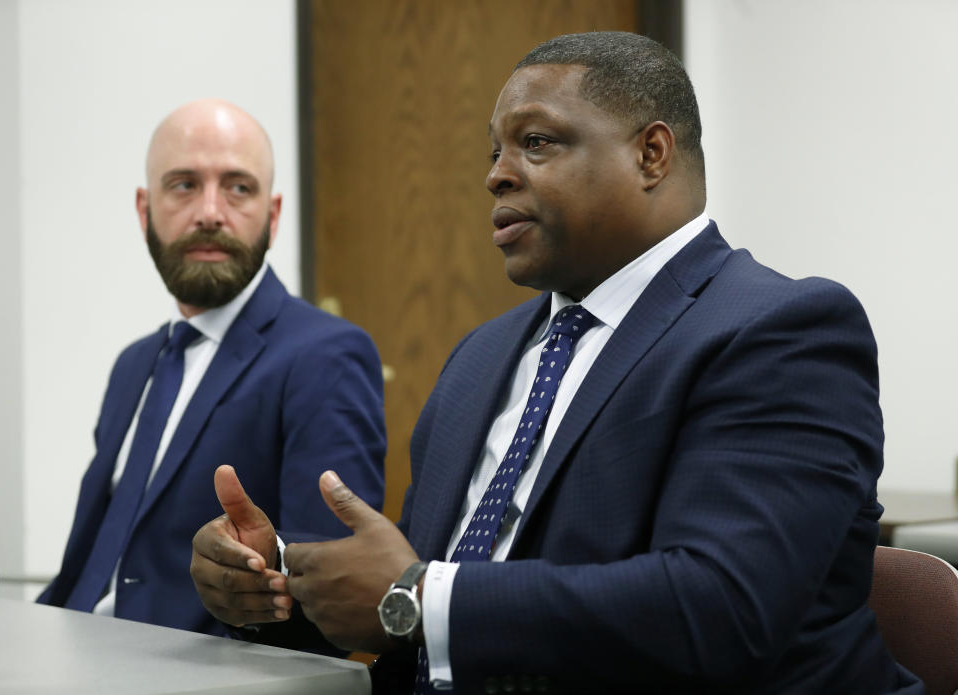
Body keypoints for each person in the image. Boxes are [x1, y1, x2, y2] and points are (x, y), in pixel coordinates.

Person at [191, 33, 923, 693]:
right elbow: (414, 599)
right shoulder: (482, 357)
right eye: (494, 153)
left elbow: (720, 608)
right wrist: (278, 586)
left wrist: (420, 595)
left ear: (651, 154)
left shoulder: (778, 330)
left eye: (536, 142)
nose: (497, 176)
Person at [38, 99, 386, 646]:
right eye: (182, 185)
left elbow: (332, 590)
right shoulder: (135, 364)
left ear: (272, 217)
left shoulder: (327, 354)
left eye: (238, 188)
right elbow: (87, 567)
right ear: (143, 209)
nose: (209, 212)